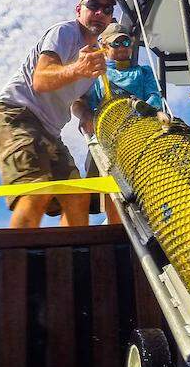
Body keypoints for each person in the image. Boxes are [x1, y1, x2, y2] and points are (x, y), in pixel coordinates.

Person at [0, 0, 115, 228]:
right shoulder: (65, 32)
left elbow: (79, 100)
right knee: (36, 191)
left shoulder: (97, 58)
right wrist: (77, 68)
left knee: (77, 198)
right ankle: (17, 263)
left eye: (106, 9)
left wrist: (86, 115)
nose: (100, 12)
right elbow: (41, 79)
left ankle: (71, 262)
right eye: (93, 6)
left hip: (50, 132)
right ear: (79, 10)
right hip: (16, 113)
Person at [71, 23, 171, 225]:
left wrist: (148, 109)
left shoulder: (143, 72)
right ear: (104, 47)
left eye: (126, 41)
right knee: (114, 190)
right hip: (110, 139)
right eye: (116, 43)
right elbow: (77, 103)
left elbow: (154, 96)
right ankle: (117, 227)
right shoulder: (96, 74)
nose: (123, 46)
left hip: (143, 134)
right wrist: (86, 116)